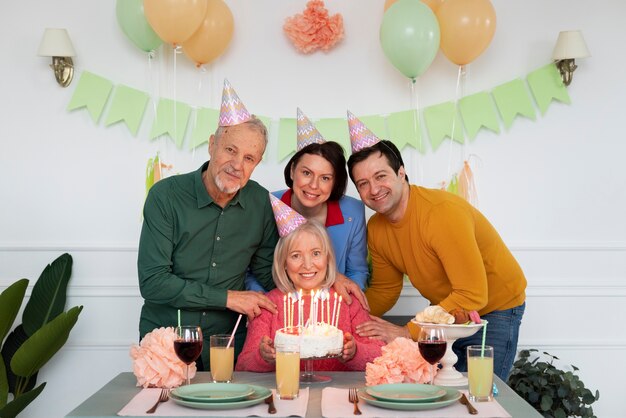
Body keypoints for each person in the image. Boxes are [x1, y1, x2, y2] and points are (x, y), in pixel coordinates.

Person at [345, 113, 527, 381]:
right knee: (442, 392)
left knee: (480, 393)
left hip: (494, 307)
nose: (373, 189)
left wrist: (408, 331)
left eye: (380, 176)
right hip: (448, 310)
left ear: (401, 172)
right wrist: (348, 316)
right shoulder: (376, 228)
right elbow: (385, 289)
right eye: (363, 183)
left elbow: (473, 294)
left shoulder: (440, 213)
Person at [137, 80, 280, 370]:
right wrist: (227, 298)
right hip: (167, 343)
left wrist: (327, 281)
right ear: (212, 144)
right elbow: (153, 283)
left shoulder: (261, 204)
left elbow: (269, 275)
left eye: (249, 158)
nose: (237, 164)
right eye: (230, 149)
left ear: (257, 163)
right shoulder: (165, 196)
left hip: (229, 345)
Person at [236, 199, 383, 372]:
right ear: (283, 263)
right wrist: (263, 356)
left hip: (337, 394)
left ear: (328, 259)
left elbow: (379, 355)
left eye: (316, 253)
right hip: (287, 393)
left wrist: (355, 351)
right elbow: (243, 365)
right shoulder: (268, 306)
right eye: (296, 255)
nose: (307, 265)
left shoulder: (348, 302)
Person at [246, 108, 369, 291]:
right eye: (306, 173)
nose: (313, 185)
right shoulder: (267, 205)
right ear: (292, 170)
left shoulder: (354, 212)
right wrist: (266, 304)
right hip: (280, 307)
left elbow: (357, 271)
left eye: (325, 178)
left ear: (335, 183)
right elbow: (251, 270)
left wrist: (343, 300)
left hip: (330, 309)